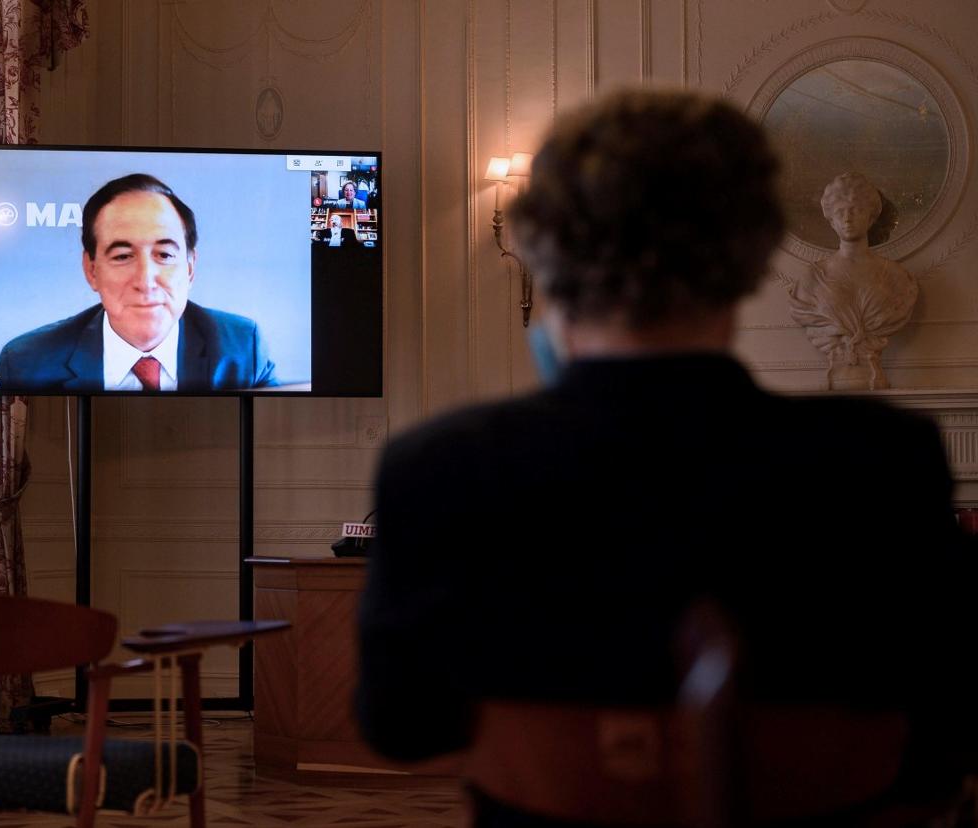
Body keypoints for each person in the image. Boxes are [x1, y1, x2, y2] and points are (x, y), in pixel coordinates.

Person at [356, 89, 975, 826]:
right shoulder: (883, 460)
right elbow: (952, 727)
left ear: (546, 258)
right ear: (751, 257)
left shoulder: (439, 469)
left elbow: (402, 725)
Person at [0, 173, 277, 392]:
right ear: (91, 270)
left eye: (164, 255)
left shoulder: (242, 348)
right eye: (123, 256)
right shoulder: (25, 362)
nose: (145, 281)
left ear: (190, 268)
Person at [787, 172, 918, 391]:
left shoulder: (897, 277)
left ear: (871, 217)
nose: (847, 218)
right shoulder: (812, 279)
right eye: (840, 211)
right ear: (831, 219)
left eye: (856, 209)